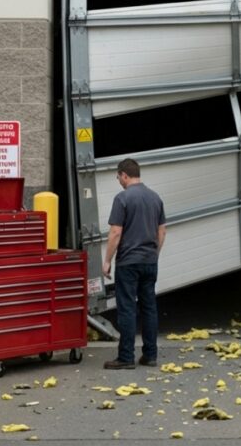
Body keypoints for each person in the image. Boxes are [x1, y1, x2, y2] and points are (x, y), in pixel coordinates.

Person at [102, 157, 166, 369]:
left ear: (124, 175)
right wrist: (154, 254)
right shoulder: (155, 197)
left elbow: (115, 233)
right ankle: (150, 355)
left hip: (129, 262)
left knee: (127, 308)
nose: (118, 180)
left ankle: (126, 357)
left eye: (118, 177)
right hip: (149, 260)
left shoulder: (122, 198)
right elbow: (162, 231)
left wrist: (107, 260)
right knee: (149, 308)